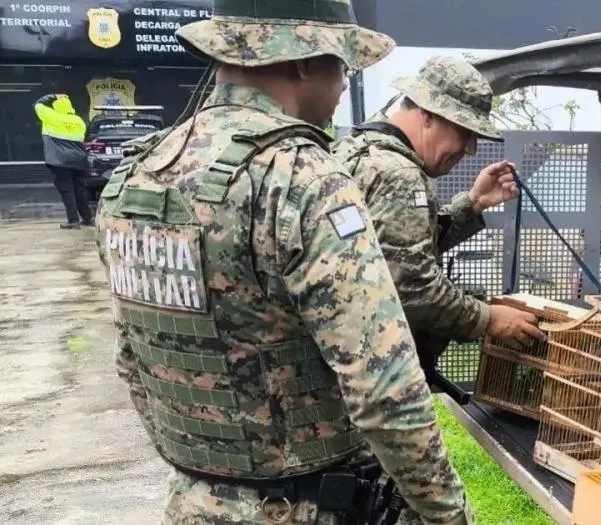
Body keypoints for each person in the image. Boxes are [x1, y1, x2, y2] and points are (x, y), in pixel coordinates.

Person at [94, 1, 473, 524]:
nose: (344, 85)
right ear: (302, 59)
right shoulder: (302, 179)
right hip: (302, 506)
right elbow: (384, 387)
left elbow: (133, 358)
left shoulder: (140, 171)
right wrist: (447, 514)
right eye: (341, 64)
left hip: (192, 503)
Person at [330, 56, 547, 368]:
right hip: (377, 371)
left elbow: (387, 251)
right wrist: (487, 318)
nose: (471, 148)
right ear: (428, 114)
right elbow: (412, 284)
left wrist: (473, 203)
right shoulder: (397, 173)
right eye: (465, 131)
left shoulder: (357, 148)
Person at [33, 93, 93, 229]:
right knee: (80, 190)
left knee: (67, 191)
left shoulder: (50, 116)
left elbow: (37, 104)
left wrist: (53, 96)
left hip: (59, 162)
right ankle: (88, 218)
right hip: (79, 160)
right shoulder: (78, 121)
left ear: (55, 106)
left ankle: (73, 221)